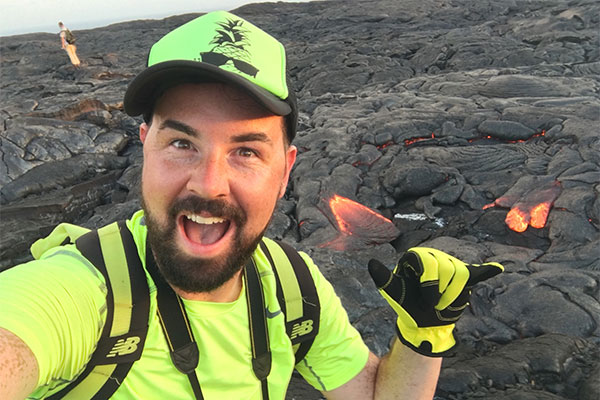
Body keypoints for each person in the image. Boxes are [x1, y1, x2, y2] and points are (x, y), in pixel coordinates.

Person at [0, 11, 503, 400]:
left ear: (285, 170)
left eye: (245, 151)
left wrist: (425, 336)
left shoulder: (293, 288)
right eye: (181, 144)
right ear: (144, 146)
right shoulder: (80, 292)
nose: (210, 184)